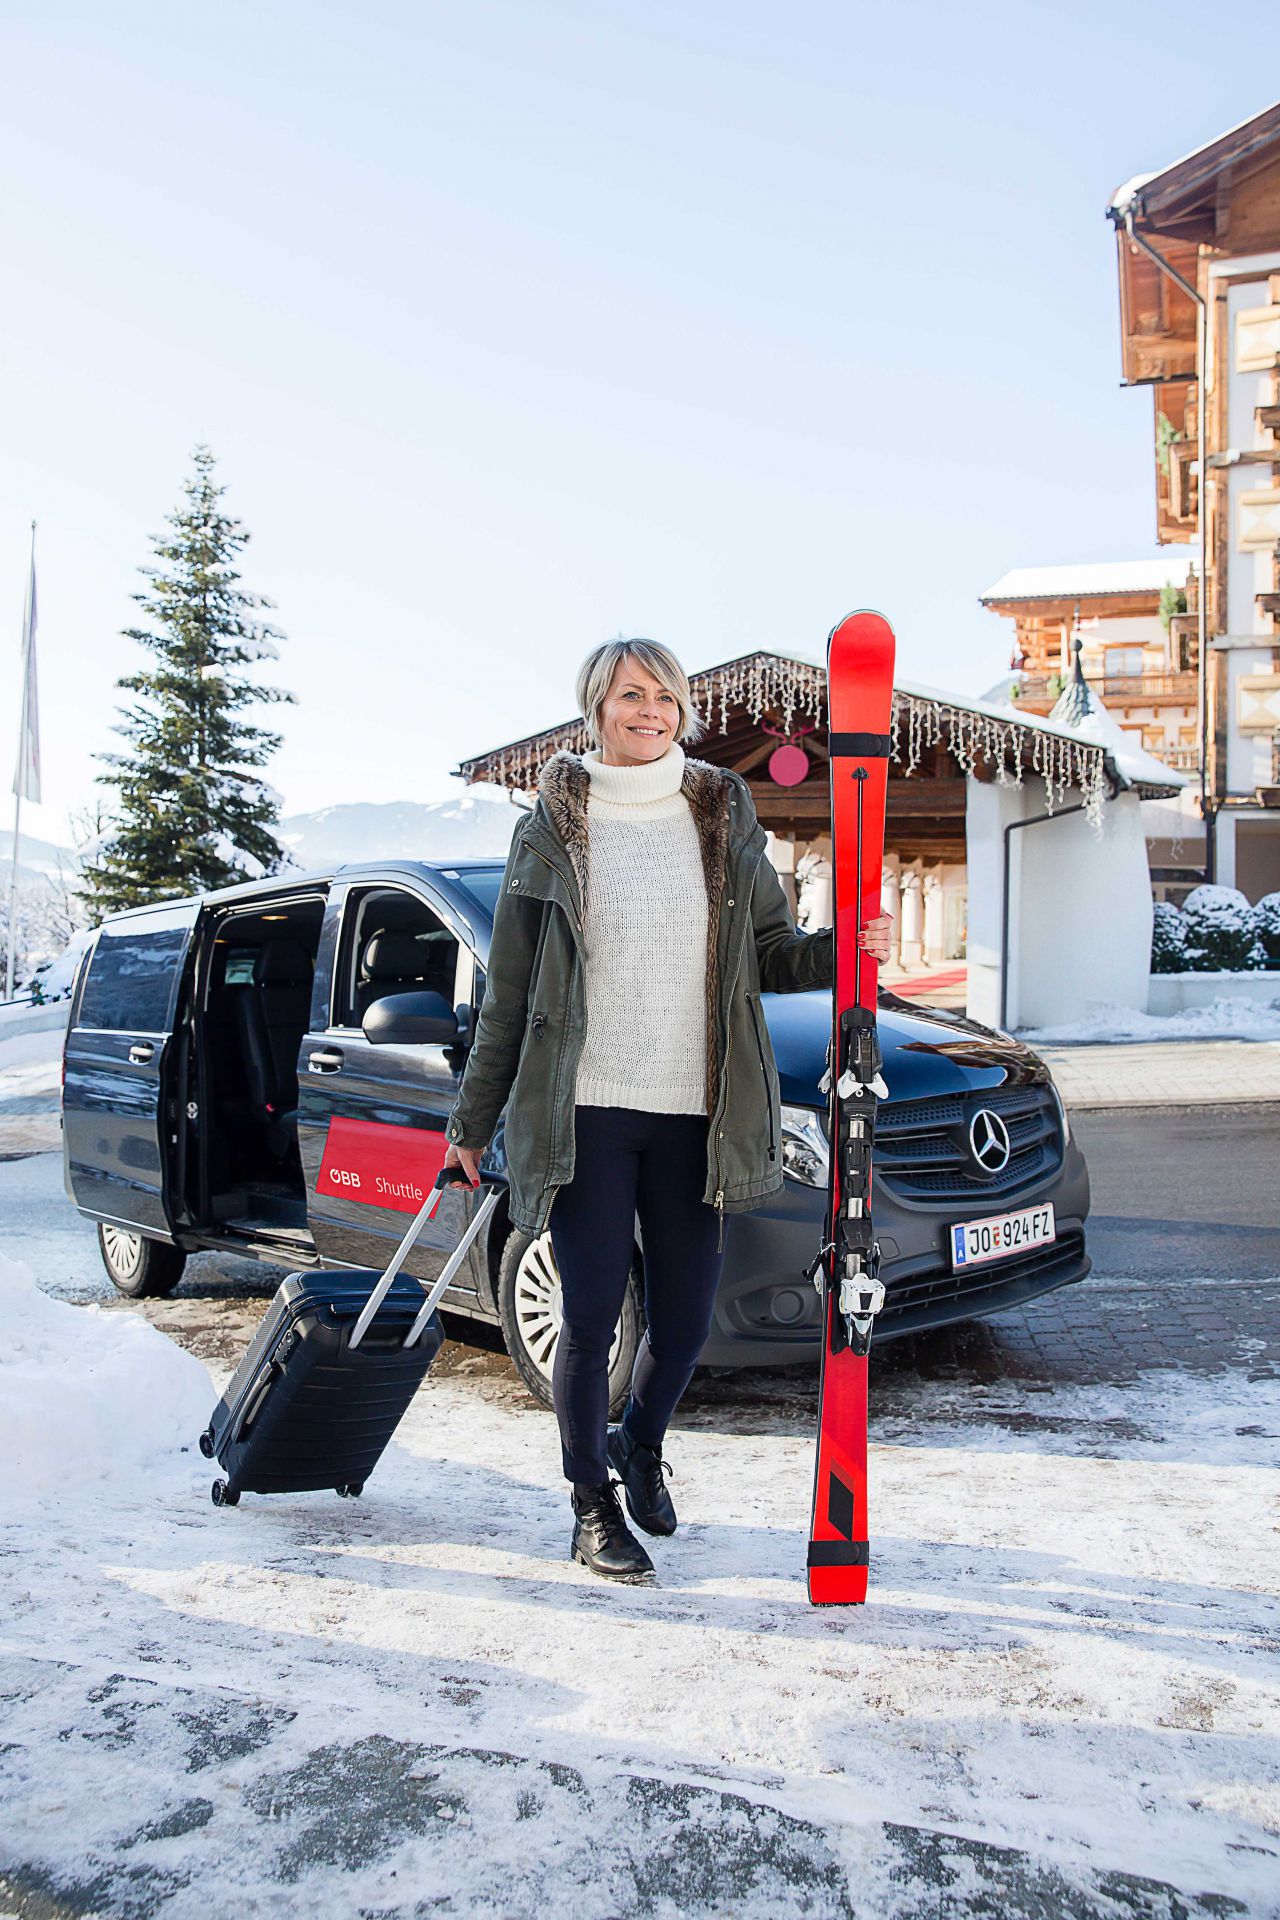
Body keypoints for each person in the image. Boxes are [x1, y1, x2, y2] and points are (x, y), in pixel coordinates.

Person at [442, 640, 892, 1583]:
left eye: (665, 695)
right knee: (593, 1318)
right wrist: (471, 1126)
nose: (650, 710)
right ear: (596, 707)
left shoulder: (720, 812)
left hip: (700, 1110)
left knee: (686, 1320)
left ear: (683, 710)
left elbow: (769, 952)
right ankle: (590, 1503)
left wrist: (846, 945)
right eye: (629, 694)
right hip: (588, 1114)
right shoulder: (554, 827)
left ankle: (640, 1442)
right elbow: (512, 992)